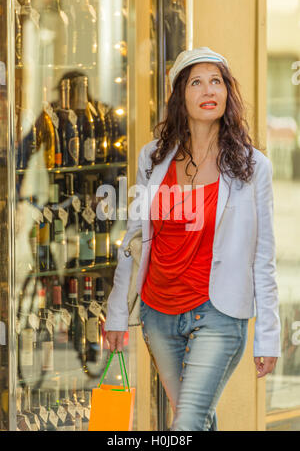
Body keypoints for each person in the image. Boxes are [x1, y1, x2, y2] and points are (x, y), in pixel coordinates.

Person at [104, 47, 281, 431]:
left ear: (227, 94)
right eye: (196, 82)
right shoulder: (153, 157)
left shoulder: (253, 167)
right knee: (195, 417)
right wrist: (117, 311)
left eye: (216, 81)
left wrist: (268, 337)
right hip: (158, 311)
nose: (208, 90)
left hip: (218, 313)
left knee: (186, 424)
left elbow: (263, 256)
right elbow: (134, 241)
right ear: (180, 95)